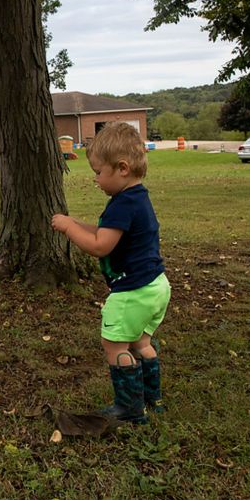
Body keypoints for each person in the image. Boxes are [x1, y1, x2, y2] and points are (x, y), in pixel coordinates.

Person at [50, 122, 170, 424]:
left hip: (132, 291)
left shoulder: (120, 205)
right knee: (141, 343)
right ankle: (151, 399)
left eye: (98, 172)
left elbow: (100, 246)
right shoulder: (137, 198)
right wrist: (76, 223)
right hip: (156, 286)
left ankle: (129, 409)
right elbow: (108, 233)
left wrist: (67, 228)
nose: (96, 179)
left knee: (114, 345)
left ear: (122, 168)